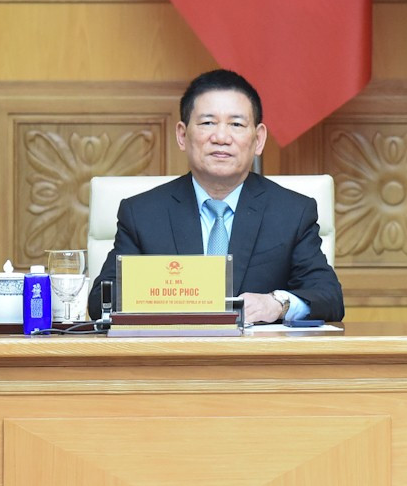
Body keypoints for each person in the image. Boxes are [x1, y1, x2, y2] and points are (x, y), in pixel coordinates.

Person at [90, 69, 344, 323]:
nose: (221, 138)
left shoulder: (291, 213)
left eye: (236, 124)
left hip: (257, 359)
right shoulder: (143, 214)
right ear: (182, 135)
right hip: (172, 356)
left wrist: (277, 303)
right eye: (208, 123)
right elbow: (101, 299)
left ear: (258, 139)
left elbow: (328, 297)